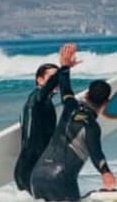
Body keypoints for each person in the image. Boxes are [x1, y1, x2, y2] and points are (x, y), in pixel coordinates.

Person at [29, 54, 117, 202]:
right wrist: (106, 173)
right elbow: (97, 154)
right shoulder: (91, 126)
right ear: (107, 102)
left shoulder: (70, 107)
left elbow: (66, 89)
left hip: (37, 176)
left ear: (87, 94)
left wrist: (65, 67)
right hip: (60, 179)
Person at [13, 43, 76, 193]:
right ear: (40, 80)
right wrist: (63, 68)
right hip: (29, 170)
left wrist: (65, 72)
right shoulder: (36, 100)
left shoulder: (44, 103)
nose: (56, 81)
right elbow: (46, 90)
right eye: (52, 77)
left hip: (37, 168)